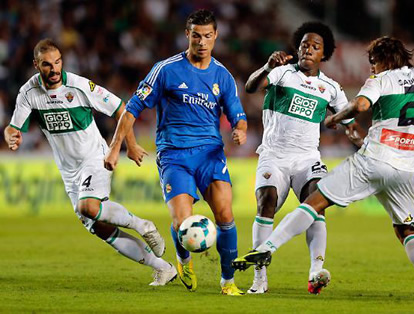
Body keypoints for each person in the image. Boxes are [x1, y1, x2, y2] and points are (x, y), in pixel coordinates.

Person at [232, 36, 414, 299]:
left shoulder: (382, 81)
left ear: (385, 60)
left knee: (315, 202)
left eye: (373, 62)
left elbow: (360, 105)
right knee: (407, 229)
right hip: (407, 170)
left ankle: (268, 248)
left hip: (373, 161)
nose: (371, 68)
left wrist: (335, 118)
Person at [3, 39, 177, 286]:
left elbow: (120, 108)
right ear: (36, 65)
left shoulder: (80, 86)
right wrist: (12, 136)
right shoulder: (29, 93)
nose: (53, 70)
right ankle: (163, 268)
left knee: (89, 207)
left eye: (57, 62)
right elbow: (12, 127)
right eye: (46, 65)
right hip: (68, 170)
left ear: (62, 61)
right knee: (99, 228)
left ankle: (143, 225)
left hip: (95, 158)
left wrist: (130, 145)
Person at [104, 9, 247, 296]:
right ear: (187, 35)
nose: (202, 42)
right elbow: (131, 108)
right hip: (174, 155)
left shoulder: (223, 75)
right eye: (196, 35)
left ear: (216, 36)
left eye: (207, 36)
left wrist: (240, 129)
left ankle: (228, 281)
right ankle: (183, 260)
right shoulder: (166, 69)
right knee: (183, 222)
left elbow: (237, 113)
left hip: (210, 154)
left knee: (226, 215)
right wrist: (116, 146)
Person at [243, 22, 363, 295]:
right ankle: (259, 278)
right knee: (267, 202)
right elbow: (251, 87)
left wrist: (358, 138)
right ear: (297, 48)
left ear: (324, 54)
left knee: (316, 203)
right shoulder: (282, 73)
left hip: (307, 158)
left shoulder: (331, 88)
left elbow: (350, 120)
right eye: (304, 44)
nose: (308, 49)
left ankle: (315, 271)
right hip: (274, 155)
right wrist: (267, 67)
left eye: (315, 46)